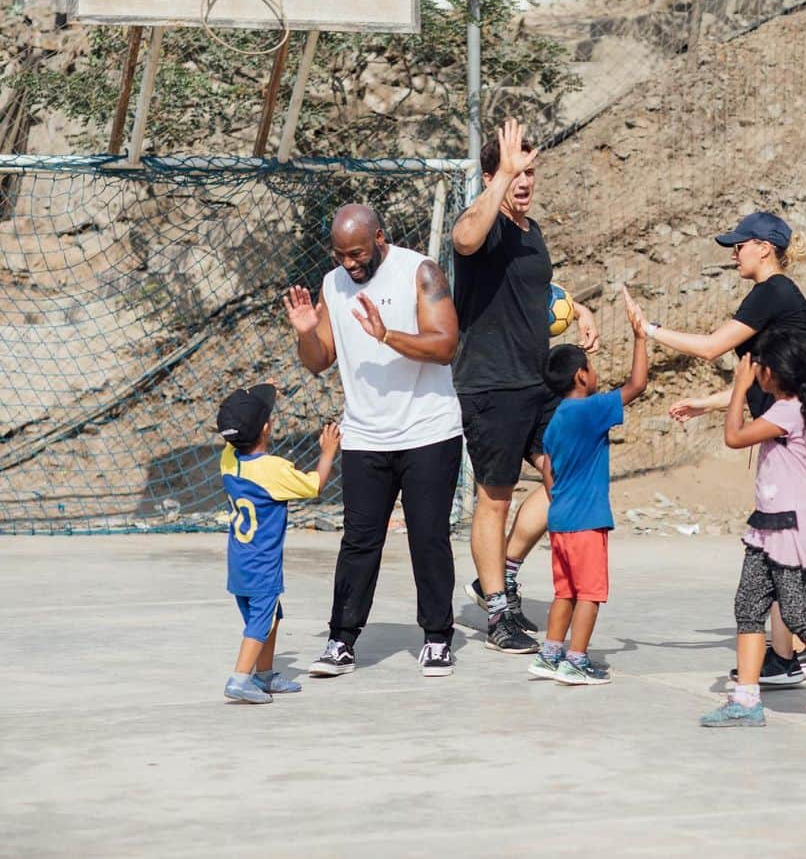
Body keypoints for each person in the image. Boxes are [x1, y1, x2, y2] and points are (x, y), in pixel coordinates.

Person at [625, 211, 806, 686]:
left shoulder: (773, 292)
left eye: (741, 244)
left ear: (765, 248)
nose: (735, 252)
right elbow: (762, 380)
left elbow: (713, 348)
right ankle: (787, 655)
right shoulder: (775, 295)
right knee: (780, 544)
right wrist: (710, 404)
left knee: (783, 547)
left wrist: (649, 331)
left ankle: (794, 655)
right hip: (783, 430)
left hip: (785, 435)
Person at [284, 203, 464, 678]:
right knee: (359, 542)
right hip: (365, 434)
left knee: (428, 538)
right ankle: (341, 640)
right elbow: (318, 359)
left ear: (380, 238)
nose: (350, 263)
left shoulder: (419, 271)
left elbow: (446, 345)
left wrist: (387, 335)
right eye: (341, 255)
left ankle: (437, 637)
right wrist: (305, 333)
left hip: (429, 430)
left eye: (358, 253)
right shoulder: (332, 284)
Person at [452, 117, 600, 654]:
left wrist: (577, 308)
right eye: (515, 172)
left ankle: (504, 572)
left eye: (531, 172)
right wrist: (497, 182)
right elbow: (462, 238)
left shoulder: (530, 232)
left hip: (539, 380)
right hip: (492, 384)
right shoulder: (485, 223)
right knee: (494, 498)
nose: (524, 181)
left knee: (567, 475)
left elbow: (537, 289)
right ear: (493, 174)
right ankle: (496, 611)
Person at [699, 332, 806, 727]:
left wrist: (739, 389)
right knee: (748, 607)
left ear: (771, 372)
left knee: (799, 615)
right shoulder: (791, 408)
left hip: (791, 529)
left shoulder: (787, 413)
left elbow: (734, 437)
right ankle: (745, 699)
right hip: (768, 525)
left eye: (758, 368)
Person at [528, 288, 648, 685]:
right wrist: (640, 338)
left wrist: (559, 501)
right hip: (586, 522)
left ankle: (549, 653)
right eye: (591, 369)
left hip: (560, 520)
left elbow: (548, 472)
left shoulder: (558, 418)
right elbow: (637, 385)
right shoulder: (591, 409)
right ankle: (576, 660)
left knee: (564, 593)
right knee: (590, 594)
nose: (595, 374)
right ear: (581, 376)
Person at [216, 383, 340, 704]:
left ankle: (265, 675)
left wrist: (261, 395)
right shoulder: (273, 470)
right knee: (261, 621)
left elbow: (238, 437)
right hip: (262, 566)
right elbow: (314, 485)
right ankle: (240, 678)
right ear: (267, 428)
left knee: (273, 616)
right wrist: (328, 452)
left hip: (239, 563)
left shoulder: (228, 460)